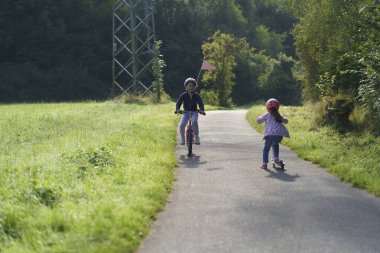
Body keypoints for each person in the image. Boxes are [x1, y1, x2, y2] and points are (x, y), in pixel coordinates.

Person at [257, 98, 290, 169]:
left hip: (270, 135)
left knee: (266, 149)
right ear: (277, 107)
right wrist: (284, 118)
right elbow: (286, 121)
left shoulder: (267, 115)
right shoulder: (279, 115)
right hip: (279, 136)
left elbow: (259, 121)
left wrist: (259, 117)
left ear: (267, 107)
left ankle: (264, 164)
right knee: (275, 145)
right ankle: (276, 158)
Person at [175, 77, 205, 145]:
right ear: (186, 87)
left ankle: (196, 137)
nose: (191, 87)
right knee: (182, 125)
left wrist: (202, 110)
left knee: (194, 122)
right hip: (185, 112)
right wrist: (178, 109)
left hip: (194, 112)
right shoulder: (183, 95)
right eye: (189, 86)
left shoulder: (197, 95)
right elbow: (178, 103)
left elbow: (201, 103)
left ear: (195, 87)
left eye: (193, 86)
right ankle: (182, 139)